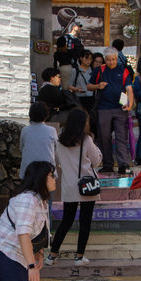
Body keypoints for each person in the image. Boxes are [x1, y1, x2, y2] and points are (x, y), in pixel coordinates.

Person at [48, 108, 102, 267]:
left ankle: (52, 255)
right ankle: (79, 257)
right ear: (82, 123)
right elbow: (96, 161)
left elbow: (58, 160)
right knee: (85, 221)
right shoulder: (86, 140)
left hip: (69, 185)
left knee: (66, 221)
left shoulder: (60, 140)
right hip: (86, 185)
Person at [91, 45, 135, 175]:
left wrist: (130, 104)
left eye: (113, 59)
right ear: (105, 59)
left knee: (121, 136)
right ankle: (107, 164)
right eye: (109, 59)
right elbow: (89, 86)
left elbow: (129, 89)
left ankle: (123, 164)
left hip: (120, 108)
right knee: (104, 137)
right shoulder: (99, 70)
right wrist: (97, 86)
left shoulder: (124, 70)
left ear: (117, 58)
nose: (111, 62)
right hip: (103, 108)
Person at [19, 101, 58, 179]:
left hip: (28, 171)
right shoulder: (51, 130)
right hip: (47, 171)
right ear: (46, 114)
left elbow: (21, 148)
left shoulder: (25, 130)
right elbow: (56, 150)